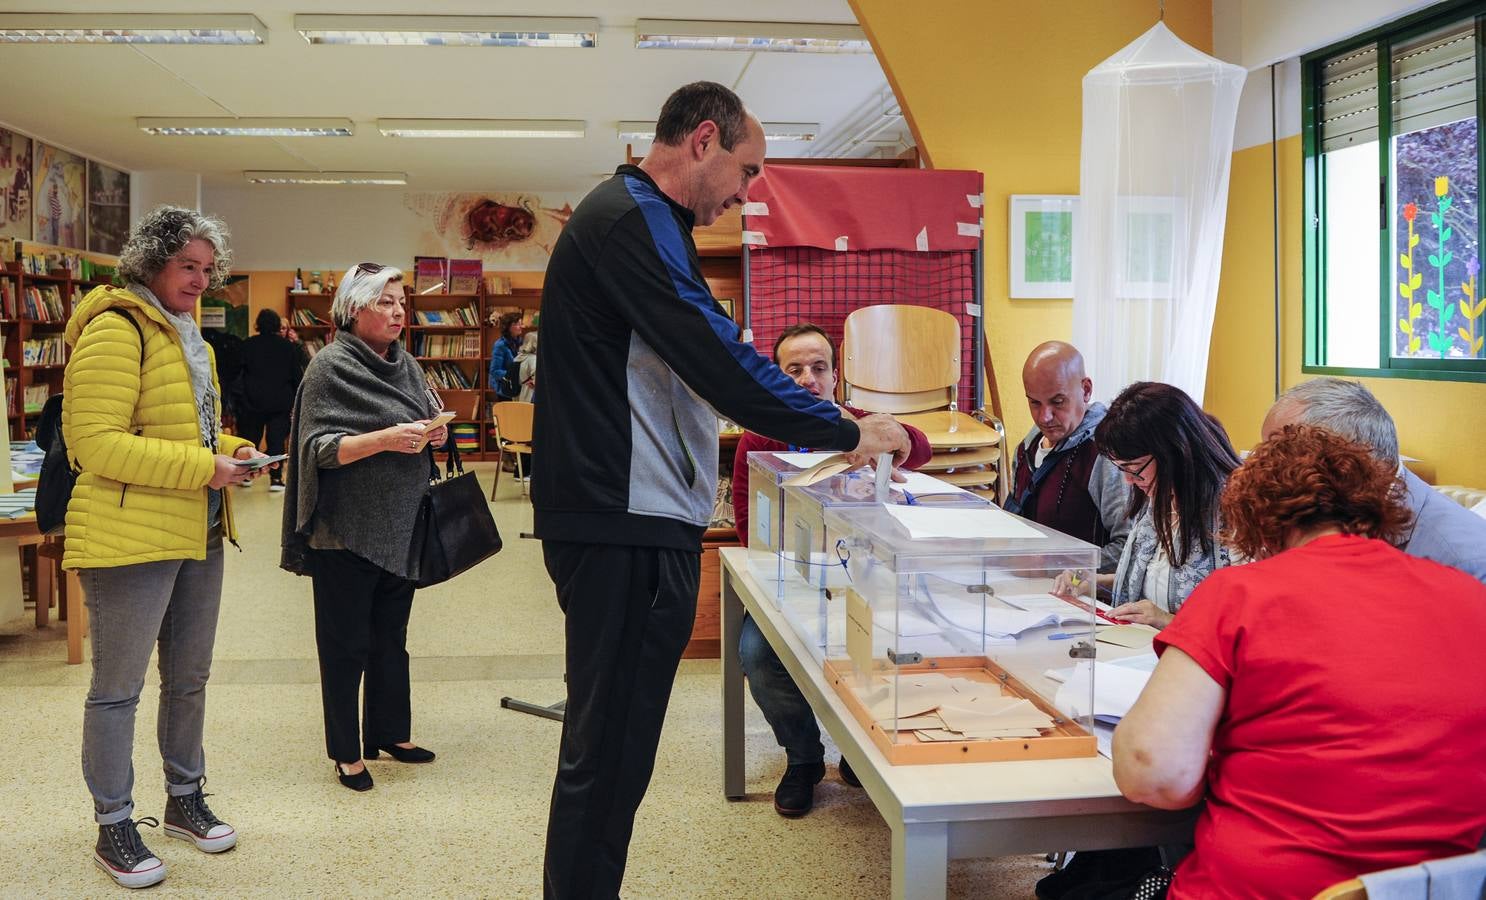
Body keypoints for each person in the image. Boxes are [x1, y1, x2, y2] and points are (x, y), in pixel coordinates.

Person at [534, 80, 912, 899]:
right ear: (703, 140)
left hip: (627, 516)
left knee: (615, 748)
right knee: (608, 751)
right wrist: (849, 429)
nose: (749, 192)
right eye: (747, 170)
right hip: (620, 520)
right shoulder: (630, 219)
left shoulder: (647, 222)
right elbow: (720, 362)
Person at [1114, 425, 1486, 899]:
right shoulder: (1472, 597)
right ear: (1375, 510)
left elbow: (1154, 771)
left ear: (1257, 521)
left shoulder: (1240, 595)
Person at [63, 206, 271, 889]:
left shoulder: (193, 339)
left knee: (188, 679)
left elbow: (187, 432)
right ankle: (114, 822)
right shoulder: (116, 328)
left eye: (210, 270)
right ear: (150, 260)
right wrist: (201, 467)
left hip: (197, 528)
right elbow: (94, 443)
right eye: (188, 265)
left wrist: (232, 451)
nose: (200, 280)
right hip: (128, 536)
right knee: (117, 690)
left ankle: (184, 798)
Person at [731, 323, 932, 817]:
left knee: (887, 642)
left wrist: (894, 433)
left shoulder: (859, 423)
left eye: (819, 368)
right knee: (756, 654)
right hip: (790, 578)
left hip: (862, 578)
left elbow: (921, 448)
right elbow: (743, 525)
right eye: (794, 370)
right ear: (775, 378)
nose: (808, 380)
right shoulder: (757, 438)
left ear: (836, 377)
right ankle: (803, 759)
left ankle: (861, 750)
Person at [280, 263, 449, 793]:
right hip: (345, 531)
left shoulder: (408, 365)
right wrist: (385, 439)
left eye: (402, 302)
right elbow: (317, 451)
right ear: (354, 309)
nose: (399, 311)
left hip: (402, 525)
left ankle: (391, 732)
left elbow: (427, 417)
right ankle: (347, 753)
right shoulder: (329, 367)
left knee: (390, 640)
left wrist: (436, 436)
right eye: (385, 302)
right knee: (345, 644)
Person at [1261, 377, 1486, 583]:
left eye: (1281, 458)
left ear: (1350, 461)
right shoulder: (1321, 514)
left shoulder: (1464, 561)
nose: (1265, 473)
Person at [1058, 382, 1242, 628]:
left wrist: (1166, 620)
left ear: (1173, 452)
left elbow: (1246, 621)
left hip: (1194, 660)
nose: (1128, 480)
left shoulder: (1236, 511)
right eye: (1122, 469)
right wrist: (1098, 581)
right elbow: (1157, 578)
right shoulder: (1159, 497)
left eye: (1134, 469)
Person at [1005, 341, 1131, 573]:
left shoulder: (1105, 455)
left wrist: (1056, 564)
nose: (1044, 417)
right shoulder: (1027, 446)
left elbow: (1128, 550)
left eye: (1057, 402)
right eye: (1034, 403)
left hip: (1084, 597)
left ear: (1085, 390)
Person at [235, 308, 302, 491]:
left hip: (252, 401)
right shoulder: (287, 347)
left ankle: (247, 476)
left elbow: (238, 373)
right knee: (276, 440)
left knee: (250, 439)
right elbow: (297, 375)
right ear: (276, 326)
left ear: (258, 325)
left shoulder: (248, 344)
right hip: (280, 402)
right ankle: (276, 479)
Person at [487, 311, 524, 401]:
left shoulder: (521, 342)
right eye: (516, 324)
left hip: (518, 387)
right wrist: (513, 376)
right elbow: (495, 371)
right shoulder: (500, 345)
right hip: (505, 388)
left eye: (520, 323)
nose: (520, 326)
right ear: (508, 327)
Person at [515, 329, 538, 404]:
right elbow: (538, 380)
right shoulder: (533, 359)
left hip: (519, 395)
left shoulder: (518, 357)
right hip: (530, 397)